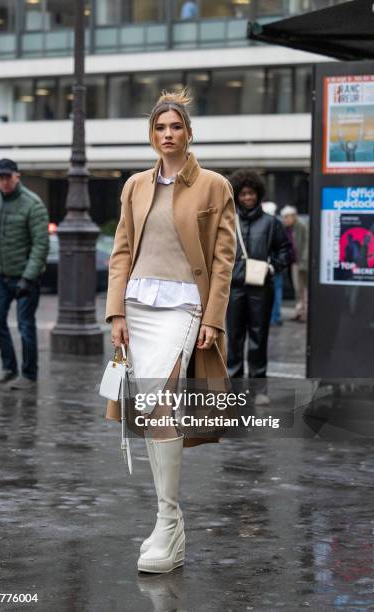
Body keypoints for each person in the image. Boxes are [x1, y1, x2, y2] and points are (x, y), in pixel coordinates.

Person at [105, 90, 236, 574]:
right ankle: (169, 523)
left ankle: (168, 517)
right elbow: (121, 252)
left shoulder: (213, 186)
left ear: (188, 132)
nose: (167, 135)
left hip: (185, 306)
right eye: (159, 128)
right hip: (138, 306)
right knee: (147, 409)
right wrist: (116, 312)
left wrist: (214, 319)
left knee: (162, 401)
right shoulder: (135, 185)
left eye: (174, 127)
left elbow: (224, 262)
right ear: (152, 134)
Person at [0, 158, 49, 389]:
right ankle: (9, 367)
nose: (4, 181)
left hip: (25, 277)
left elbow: (41, 244)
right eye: (0, 177)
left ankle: (29, 375)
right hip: (0, 275)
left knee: (25, 325)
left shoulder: (33, 204)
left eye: (8, 176)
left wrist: (28, 278)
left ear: (17, 176)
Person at [226, 170, 291, 405]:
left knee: (258, 337)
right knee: (233, 338)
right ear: (237, 196)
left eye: (251, 193)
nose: (247, 198)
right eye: (242, 194)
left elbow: (285, 250)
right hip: (233, 288)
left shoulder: (272, 223)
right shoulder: (227, 222)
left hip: (261, 288)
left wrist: (272, 267)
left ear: (258, 194)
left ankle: (258, 388)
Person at [281, 205, 308, 323]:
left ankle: (305, 313)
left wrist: (304, 262)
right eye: (284, 217)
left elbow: (307, 244)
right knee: (298, 289)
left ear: (294, 216)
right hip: (294, 262)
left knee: (304, 289)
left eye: (287, 217)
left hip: (302, 262)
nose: (285, 220)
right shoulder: (288, 228)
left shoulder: (301, 225)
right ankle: (299, 311)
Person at [262, 201, 284, 327]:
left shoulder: (269, 225)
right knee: (276, 290)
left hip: (268, 265)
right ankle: (274, 317)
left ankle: (273, 317)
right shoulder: (277, 224)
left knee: (274, 291)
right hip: (273, 265)